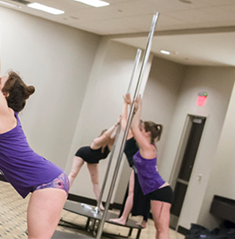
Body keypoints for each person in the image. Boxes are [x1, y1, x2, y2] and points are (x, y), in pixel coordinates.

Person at [0, 9, 67, 239]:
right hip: (49, 182)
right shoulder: (4, 113)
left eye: (0, 82)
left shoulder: (3, 113)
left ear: (4, 94)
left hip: (48, 184)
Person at [124, 96, 171, 239]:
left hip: (160, 191)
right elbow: (131, 128)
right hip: (155, 192)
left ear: (147, 133)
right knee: (159, 228)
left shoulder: (148, 148)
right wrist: (132, 109)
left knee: (162, 229)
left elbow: (133, 127)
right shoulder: (145, 147)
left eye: (141, 129)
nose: (138, 130)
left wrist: (140, 108)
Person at [110, 94, 153, 227]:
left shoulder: (133, 137)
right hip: (141, 167)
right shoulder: (141, 140)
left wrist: (126, 104)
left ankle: (123, 218)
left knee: (132, 193)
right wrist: (133, 108)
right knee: (140, 193)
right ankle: (144, 220)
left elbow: (124, 120)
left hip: (140, 168)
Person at [67, 119, 119, 209]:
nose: (108, 138)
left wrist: (120, 124)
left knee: (95, 182)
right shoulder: (96, 142)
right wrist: (116, 124)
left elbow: (115, 135)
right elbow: (105, 136)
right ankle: (63, 193)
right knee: (73, 174)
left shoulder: (109, 145)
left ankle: (99, 204)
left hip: (93, 160)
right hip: (82, 154)